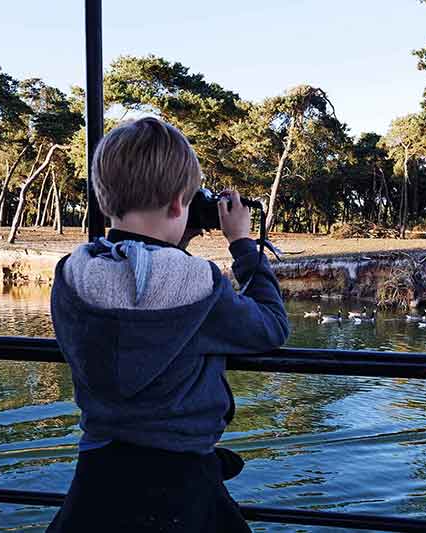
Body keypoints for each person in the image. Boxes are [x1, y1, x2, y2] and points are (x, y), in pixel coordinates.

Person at [47, 117, 289, 532]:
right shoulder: (200, 285)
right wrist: (244, 246)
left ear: (105, 201)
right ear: (181, 204)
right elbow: (270, 326)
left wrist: (173, 239)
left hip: (97, 477)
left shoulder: (71, 275)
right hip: (182, 482)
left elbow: (134, 278)